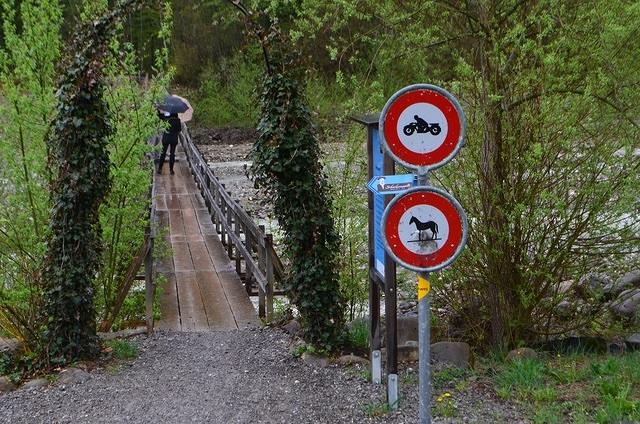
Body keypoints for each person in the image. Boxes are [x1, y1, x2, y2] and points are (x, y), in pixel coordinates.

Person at [157, 109, 182, 175]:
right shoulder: (178, 120)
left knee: (163, 153)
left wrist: (158, 110)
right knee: (172, 154)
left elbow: (160, 116)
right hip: (174, 139)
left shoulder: (166, 119)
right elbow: (179, 130)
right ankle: (171, 170)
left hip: (166, 138)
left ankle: (160, 168)